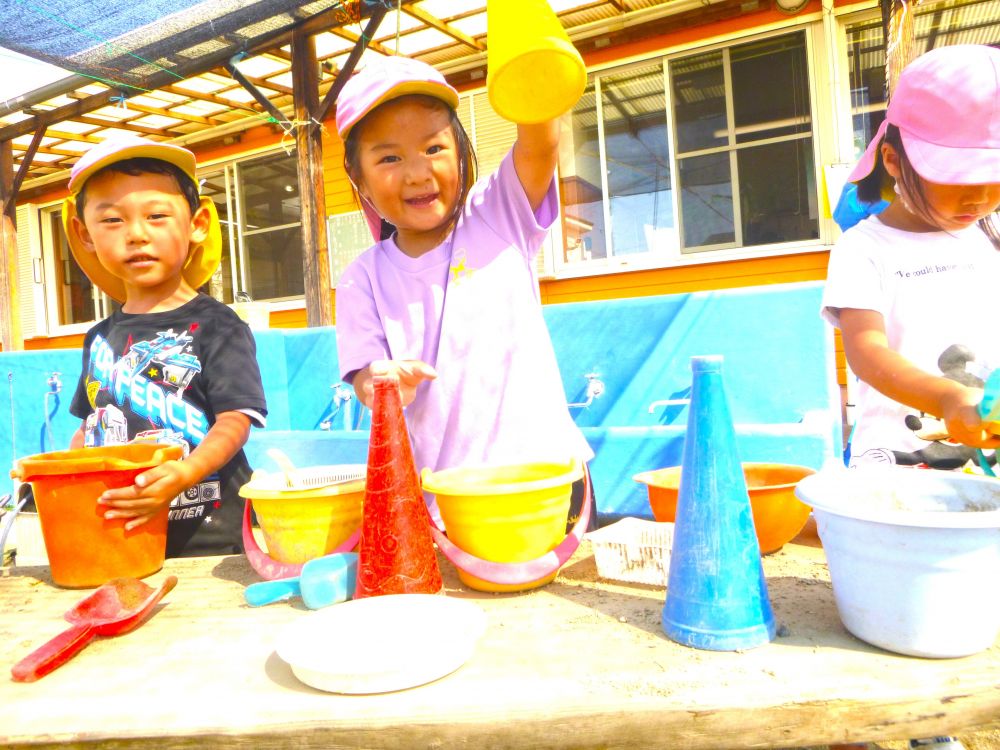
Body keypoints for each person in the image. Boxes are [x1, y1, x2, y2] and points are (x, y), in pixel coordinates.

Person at [821, 44, 1000, 750]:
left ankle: (947, 728)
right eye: (962, 180)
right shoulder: (864, 250)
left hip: (986, 456)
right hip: (898, 464)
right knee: (902, 620)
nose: (981, 196)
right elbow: (867, 352)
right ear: (894, 160)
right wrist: (948, 397)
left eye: (995, 177)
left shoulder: (990, 231)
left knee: (968, 619)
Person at [333, 55, 594, 528]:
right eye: (389, 157)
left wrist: (527, 50)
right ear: (360, 179)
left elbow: (540, 143)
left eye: (433, 148)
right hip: (443, 501)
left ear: (460, 151)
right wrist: (382, 382)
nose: (416, 173)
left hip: (545, 482)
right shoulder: (361, 278)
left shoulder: (497, 217)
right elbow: (364, 380)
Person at [63, 136, 268, 558]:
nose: (136, 234)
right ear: (85, 234)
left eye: (157, 215)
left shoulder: (218, 327)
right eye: (113, 220)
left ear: (197, 225)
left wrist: (185, 472)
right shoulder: (97, 338)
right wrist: (61, 475)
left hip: (213, 543)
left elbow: (235, 421)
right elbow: (91, 425)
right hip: (125, 537)